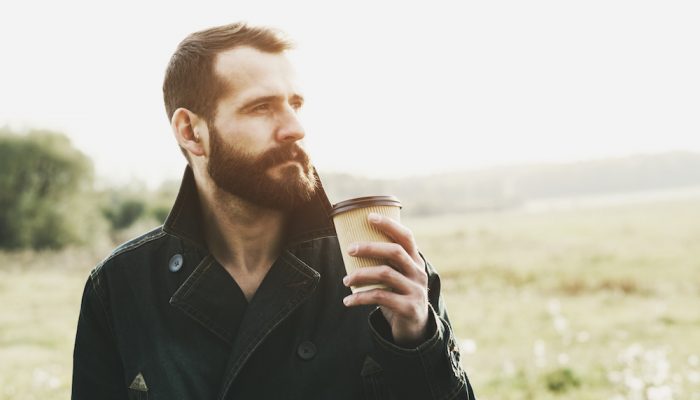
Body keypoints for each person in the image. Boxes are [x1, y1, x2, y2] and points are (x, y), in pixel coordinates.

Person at [72, 22, 475, 400]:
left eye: (295, 104)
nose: (295, 127)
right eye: (261, 107)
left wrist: (420, 341)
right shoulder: (120, 287)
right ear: (191, 131)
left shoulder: (382, 268)